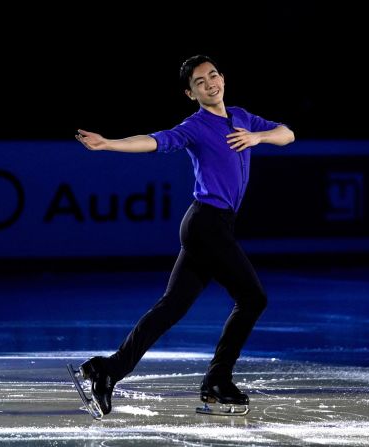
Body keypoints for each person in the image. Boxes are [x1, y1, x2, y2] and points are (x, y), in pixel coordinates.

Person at [73, 54, 295, 416]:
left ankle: (107, 369)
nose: (210, 84)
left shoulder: (242, 117)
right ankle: (217, 379)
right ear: (190, 93)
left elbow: (288, 134)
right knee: (253, 298)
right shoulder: (196, 126)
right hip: (206, 224)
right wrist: (109, 143)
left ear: (223, 77)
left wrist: (258, 136)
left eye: (213, 76)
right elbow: (154, 141)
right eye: (200, 82)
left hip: (212, 225)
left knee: (170, 308)